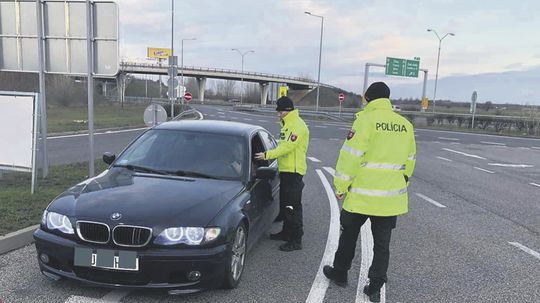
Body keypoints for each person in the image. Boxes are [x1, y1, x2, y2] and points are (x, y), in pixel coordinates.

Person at [323, 82, 416, 302]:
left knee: (348, 236)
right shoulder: (405, 125)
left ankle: (340, 274)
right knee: (382, 245)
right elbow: (410, 160)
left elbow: (350, 156)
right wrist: (402, 181)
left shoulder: (364, 121)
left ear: (368, 98)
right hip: (390, 199)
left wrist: (340, 186)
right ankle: (375, 286)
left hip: (361, 196)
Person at [255, 96, 309, 252]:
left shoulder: (297, 126)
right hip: (286, 171)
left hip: (294, 172)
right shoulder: (288, 124)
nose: (278, 115)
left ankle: (296, 239)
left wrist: (266, 155)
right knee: (285, 205)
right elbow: (283, 145)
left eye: (280, 112)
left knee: (292, 207)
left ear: (287, 111)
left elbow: (286, 148)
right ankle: (286, 233)